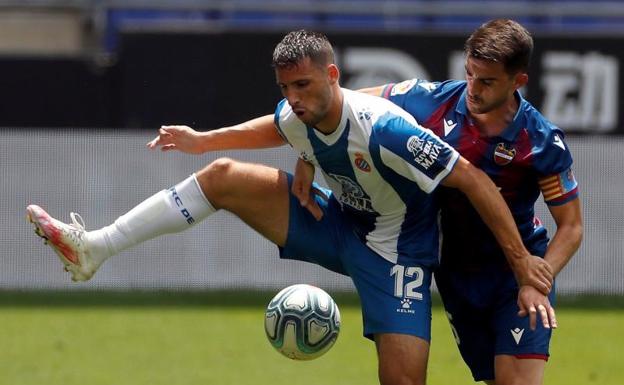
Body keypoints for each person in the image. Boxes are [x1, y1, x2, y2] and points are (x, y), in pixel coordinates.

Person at [26, 30, 554, 385]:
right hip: (333, 220)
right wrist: (202, 140)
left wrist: (521, 262)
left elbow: (475, 183)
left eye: (303, 84)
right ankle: (95, 247)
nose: (294, 98)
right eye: (286, 88)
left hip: (396, 256)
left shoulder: (389, 130)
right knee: (224, 177)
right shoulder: (297, 112)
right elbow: (276, 125)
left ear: (332, 75)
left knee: (403, 380)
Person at [356, 19, 583, 385]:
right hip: (456, 275)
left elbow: (572, 227)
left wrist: (536, 280)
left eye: (487, 81)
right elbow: (347, 104)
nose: (472, 89)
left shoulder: (541, 141)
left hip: (517, 273)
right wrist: (307, 150)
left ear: (518, 81)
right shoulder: (430, 102)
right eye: (469, 74)